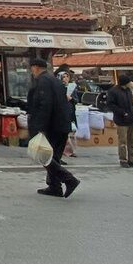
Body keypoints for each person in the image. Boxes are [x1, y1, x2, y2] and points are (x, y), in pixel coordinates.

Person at [27, 58, 80, 198]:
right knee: (54, 156)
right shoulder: (55, 80)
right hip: (62, 124)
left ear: (36, 67)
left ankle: (69, 179)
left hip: (52, 125)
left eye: (32, 68)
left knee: (45, 157)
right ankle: (54, 187)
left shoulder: (43, 82)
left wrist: (40, 127)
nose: (32, 71)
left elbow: (45, 105)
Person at [109, 74, 133, 168]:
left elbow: (131, 105)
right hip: (121, 119)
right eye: (129, 82)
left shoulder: (128, 91)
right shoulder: (113, 91)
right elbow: (111, 105)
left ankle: (132, 159)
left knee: (132, 141)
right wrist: (122, 113)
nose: (131, 83)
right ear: (125, 83)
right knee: (123, 141)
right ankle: (123, 159)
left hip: (131, 119)